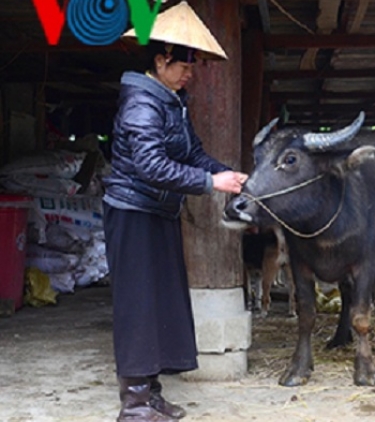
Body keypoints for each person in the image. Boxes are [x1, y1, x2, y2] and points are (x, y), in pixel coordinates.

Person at [102, 3, 243, 421]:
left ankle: (151, 394)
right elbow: (150, 165)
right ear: (161, 60)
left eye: (192, 66)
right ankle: (134, 404)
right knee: (137, 305)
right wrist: (209, 184)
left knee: (160, 303)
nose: (189, 73)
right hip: (132, 212)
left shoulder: (170, 101)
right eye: (184, 65)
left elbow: (192, 153)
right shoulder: (141, 104)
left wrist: (224, 172)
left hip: (157, 210)